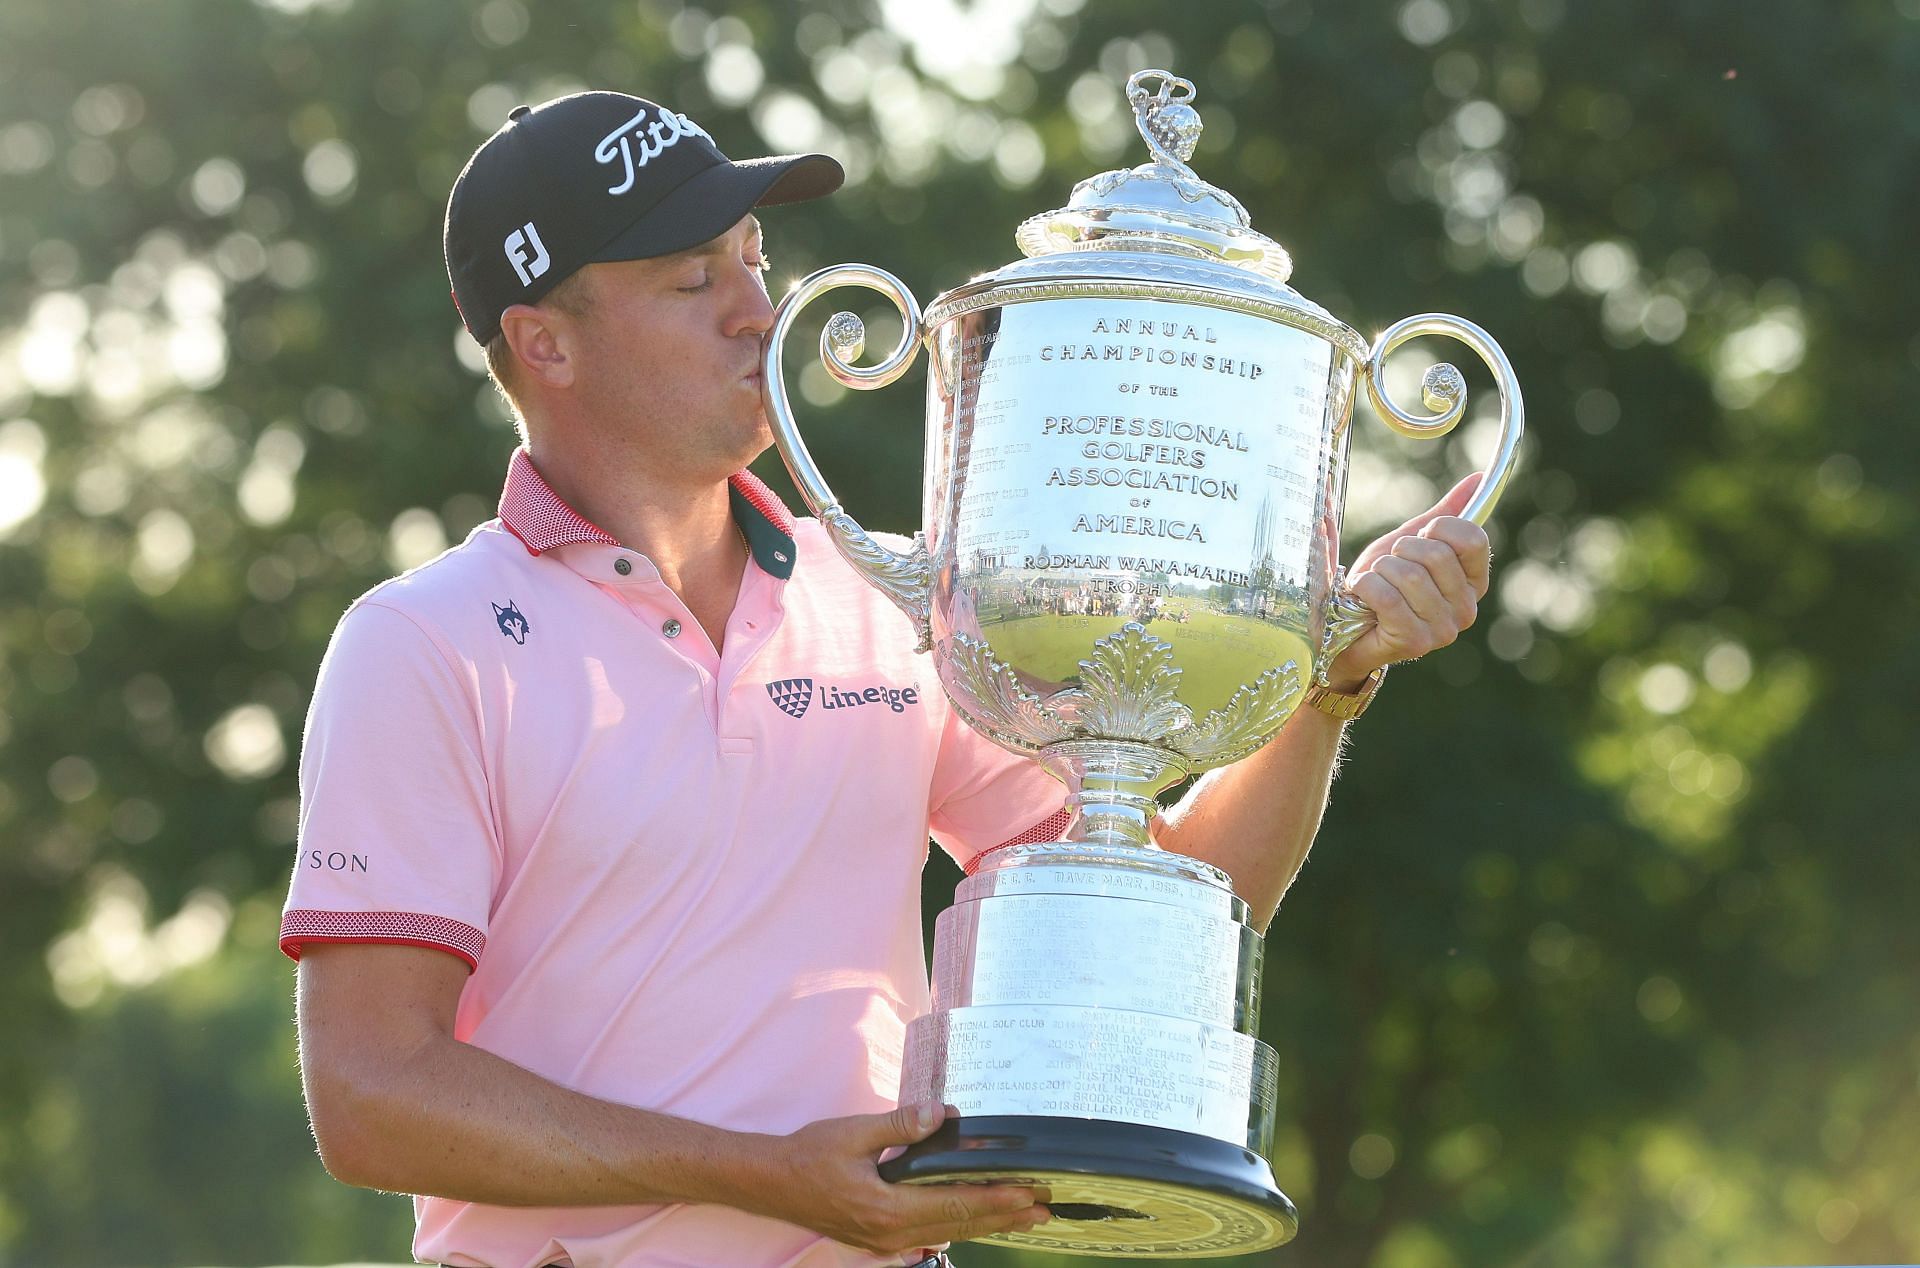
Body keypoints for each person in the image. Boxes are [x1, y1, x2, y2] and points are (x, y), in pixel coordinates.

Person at [281, 90, 1492, 1268]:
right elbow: (374, 1093)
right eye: (693, 279)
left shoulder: (898, 598)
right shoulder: (425, 642)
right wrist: (752, 1169)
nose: (758, 310)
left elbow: (1165, 907)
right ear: (545, 341)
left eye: (754, 259)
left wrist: (1327, 687)